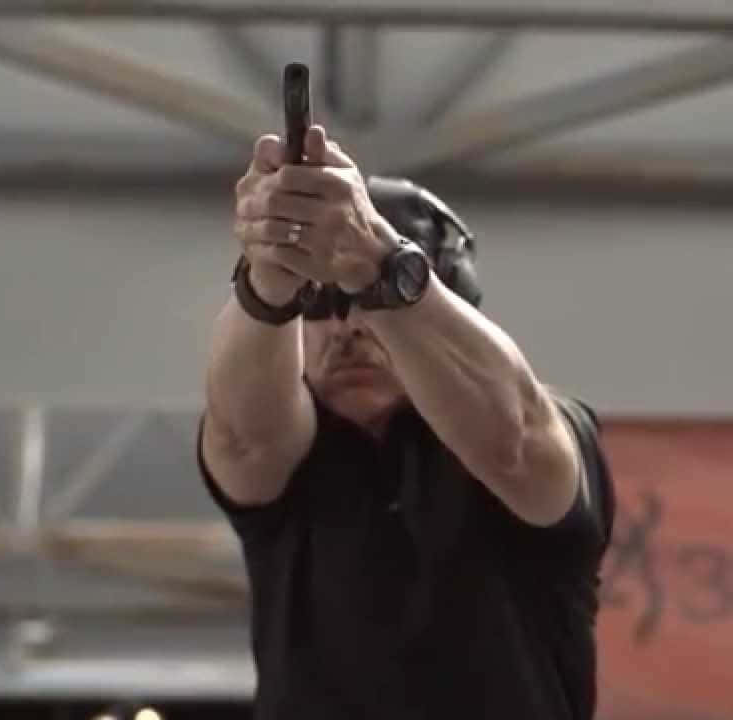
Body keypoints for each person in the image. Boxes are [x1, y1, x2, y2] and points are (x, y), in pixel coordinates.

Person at [196, 125, 614, 719]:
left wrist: (378, 266)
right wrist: (269, 277)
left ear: (451, 303)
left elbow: (514, 441)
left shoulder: (538, 429)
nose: (346, 327)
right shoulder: (294, 451)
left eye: (362, 305)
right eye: (320, 304)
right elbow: (243, 436)